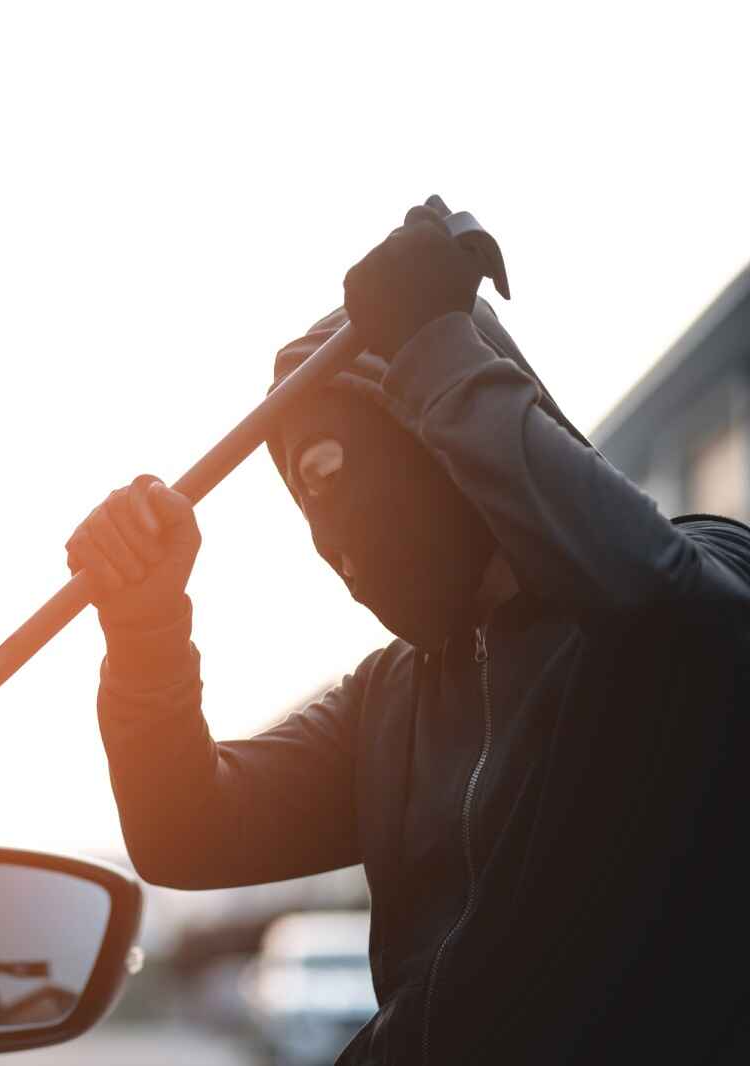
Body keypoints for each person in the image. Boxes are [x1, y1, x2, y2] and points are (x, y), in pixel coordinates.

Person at [67, 203, 750, 1064]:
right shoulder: (387, 706)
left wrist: (433, 350)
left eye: (335, 472)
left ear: (443, 421)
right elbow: (184, 829)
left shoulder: (698, 567)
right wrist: (146, 631)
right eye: (303, 503)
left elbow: (686, 635)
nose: (330, 538)